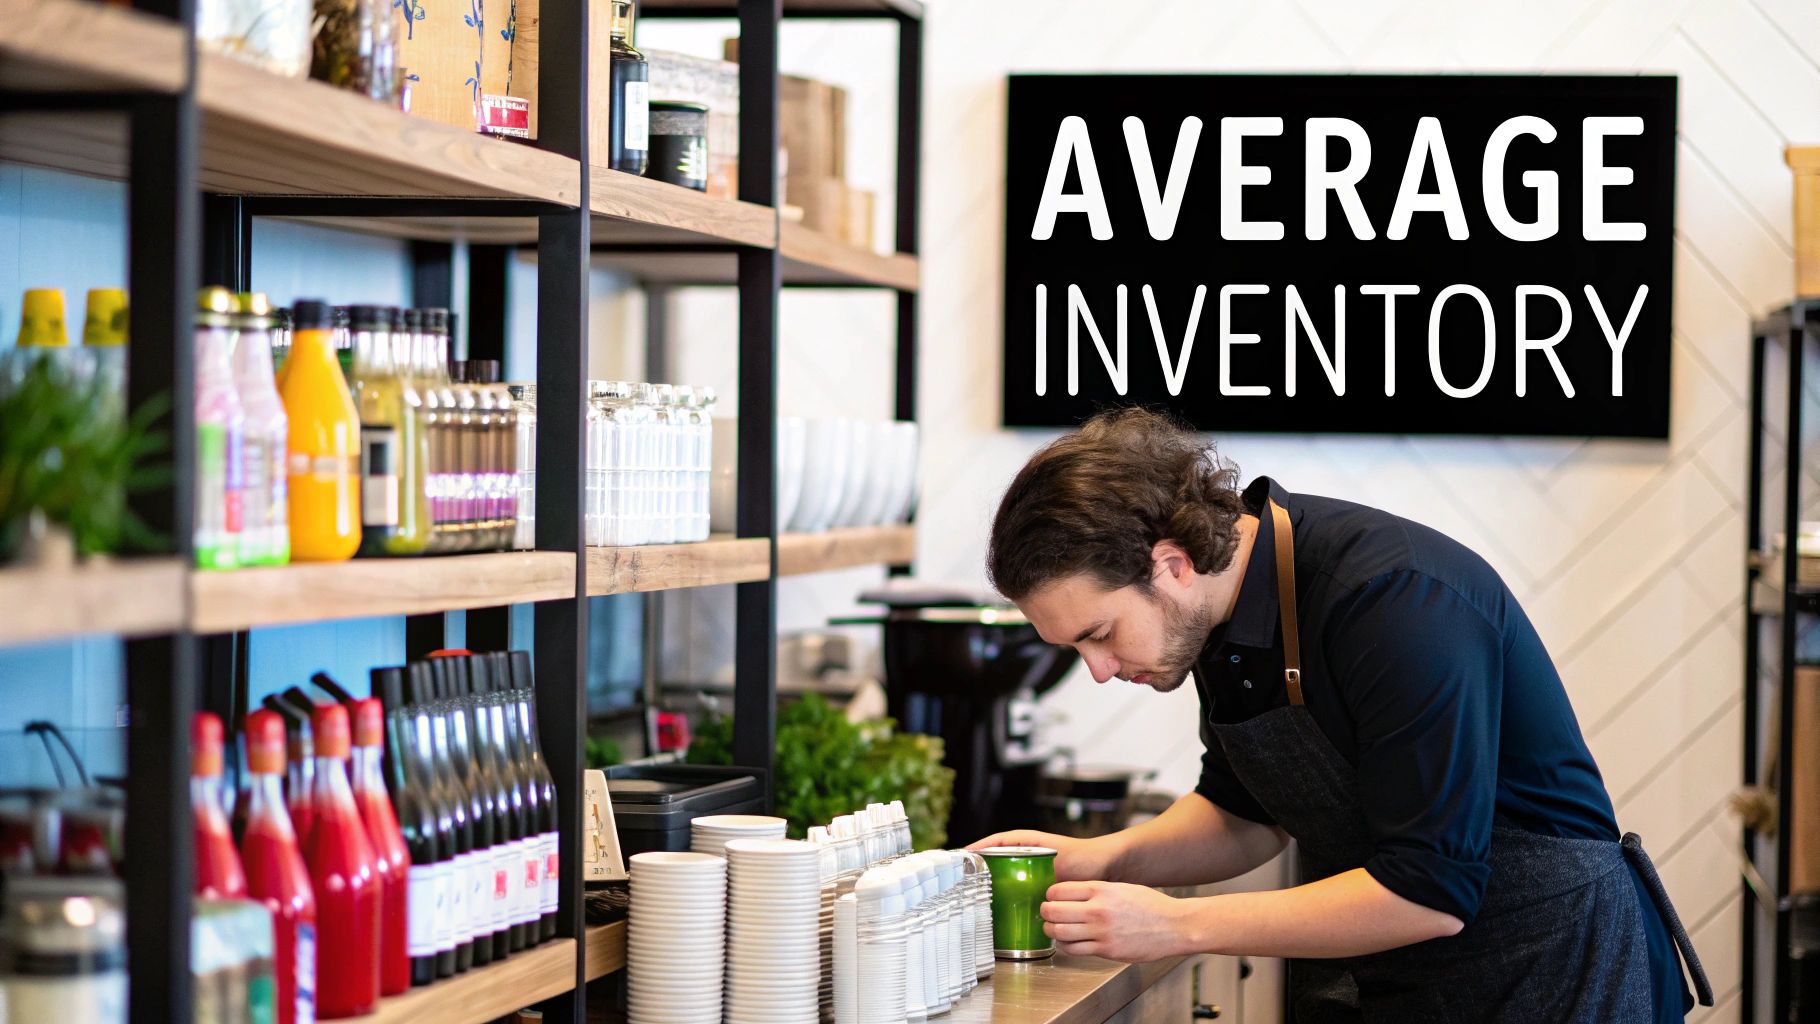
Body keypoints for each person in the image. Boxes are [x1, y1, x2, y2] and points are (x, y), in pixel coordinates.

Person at [969, 408, 1712, 1023]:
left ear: (1171, 563)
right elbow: (1243, 813)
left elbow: (1430, 890)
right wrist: (1103, 858)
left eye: (1098, 635)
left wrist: (1177, 925)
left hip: (1559, 968)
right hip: (1416, 981)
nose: (1098, 672)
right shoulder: (1218, 620)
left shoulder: (1393, 599)